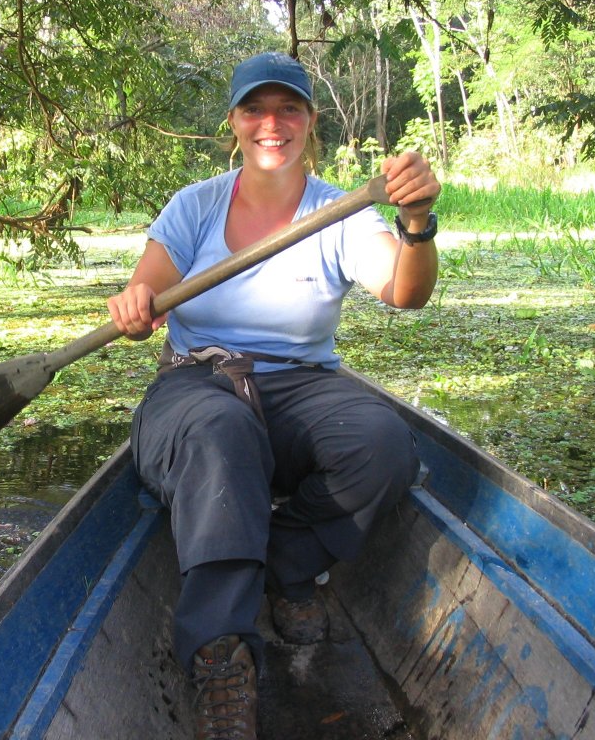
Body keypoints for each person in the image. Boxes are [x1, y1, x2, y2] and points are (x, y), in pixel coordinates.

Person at [107, 51, 441, 740]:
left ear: (310, 120)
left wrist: (417, 223)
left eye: (288, 108)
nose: (272, 123)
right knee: (219, 433)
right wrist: (137, 306)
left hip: (299, 386)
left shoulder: (339, 212)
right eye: (255, 109)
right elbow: (146, 292)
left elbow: (407, 293)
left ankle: (283, 565)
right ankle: (222, 656)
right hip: (196, 382)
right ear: (233, 122)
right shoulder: (196, 205)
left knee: (383, 446)